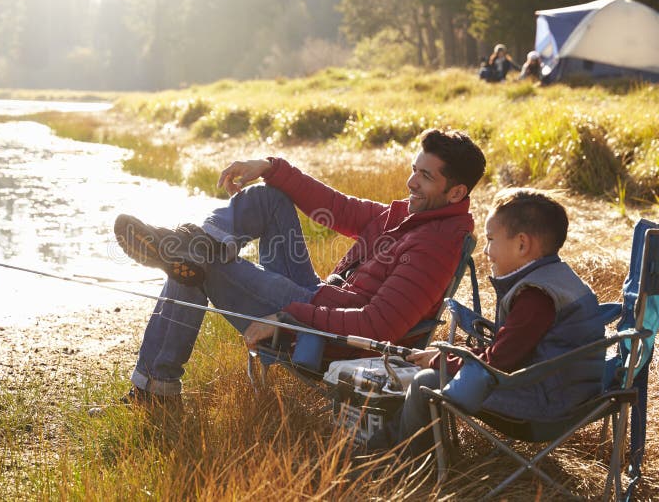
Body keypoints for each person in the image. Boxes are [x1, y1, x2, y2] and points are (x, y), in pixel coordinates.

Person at [112, 129, 486, 405]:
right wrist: (268, 167)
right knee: (269, 198)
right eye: (414, 169)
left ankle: (154, 388)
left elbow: (379, 326)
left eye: (425, 176)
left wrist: (289, 315)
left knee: (197, 264)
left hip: (327, 338)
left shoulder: (435, 246)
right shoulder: (407, 216)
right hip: (323, 296)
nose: (411, 182)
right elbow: (336, 207)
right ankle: (200, 242)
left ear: (456, 193)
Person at [369, 189, 604, 456]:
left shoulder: (535, 296)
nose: (487, 251)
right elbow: (511, 351)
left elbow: (499, 362)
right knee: (435, 372)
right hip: (568, 393)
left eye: (491, 239)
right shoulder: (557, 278)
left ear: (522, 245)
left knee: (426, 382)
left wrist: (442, 361)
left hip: (546, 408)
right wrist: (450, 357)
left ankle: (400, 460)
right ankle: (391, 447)